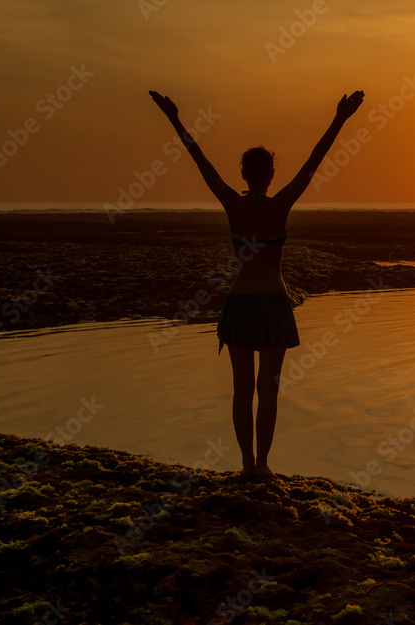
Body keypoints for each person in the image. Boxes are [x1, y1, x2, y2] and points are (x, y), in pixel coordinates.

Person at [149, 88, 365, 481]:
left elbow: (201, 162)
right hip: (273, 304)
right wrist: (340, 119)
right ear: (271, 175)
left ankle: (247, 464)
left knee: (241, 390)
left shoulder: (233, 204)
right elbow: (315, 163)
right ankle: (262, 465)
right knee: (268, 391)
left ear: (245, 174)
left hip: (241, 304)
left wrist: (174, 118)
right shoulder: (281, 204)